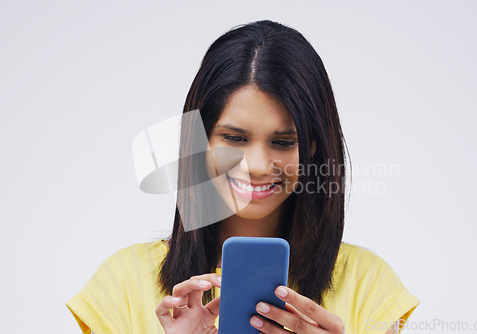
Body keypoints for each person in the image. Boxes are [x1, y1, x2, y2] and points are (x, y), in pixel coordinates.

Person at [66, 20, 419, 334]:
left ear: (312, 147)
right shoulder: (121, 284)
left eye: (283, 142)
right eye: (234, 139)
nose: (257, 165)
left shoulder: (370, 286)